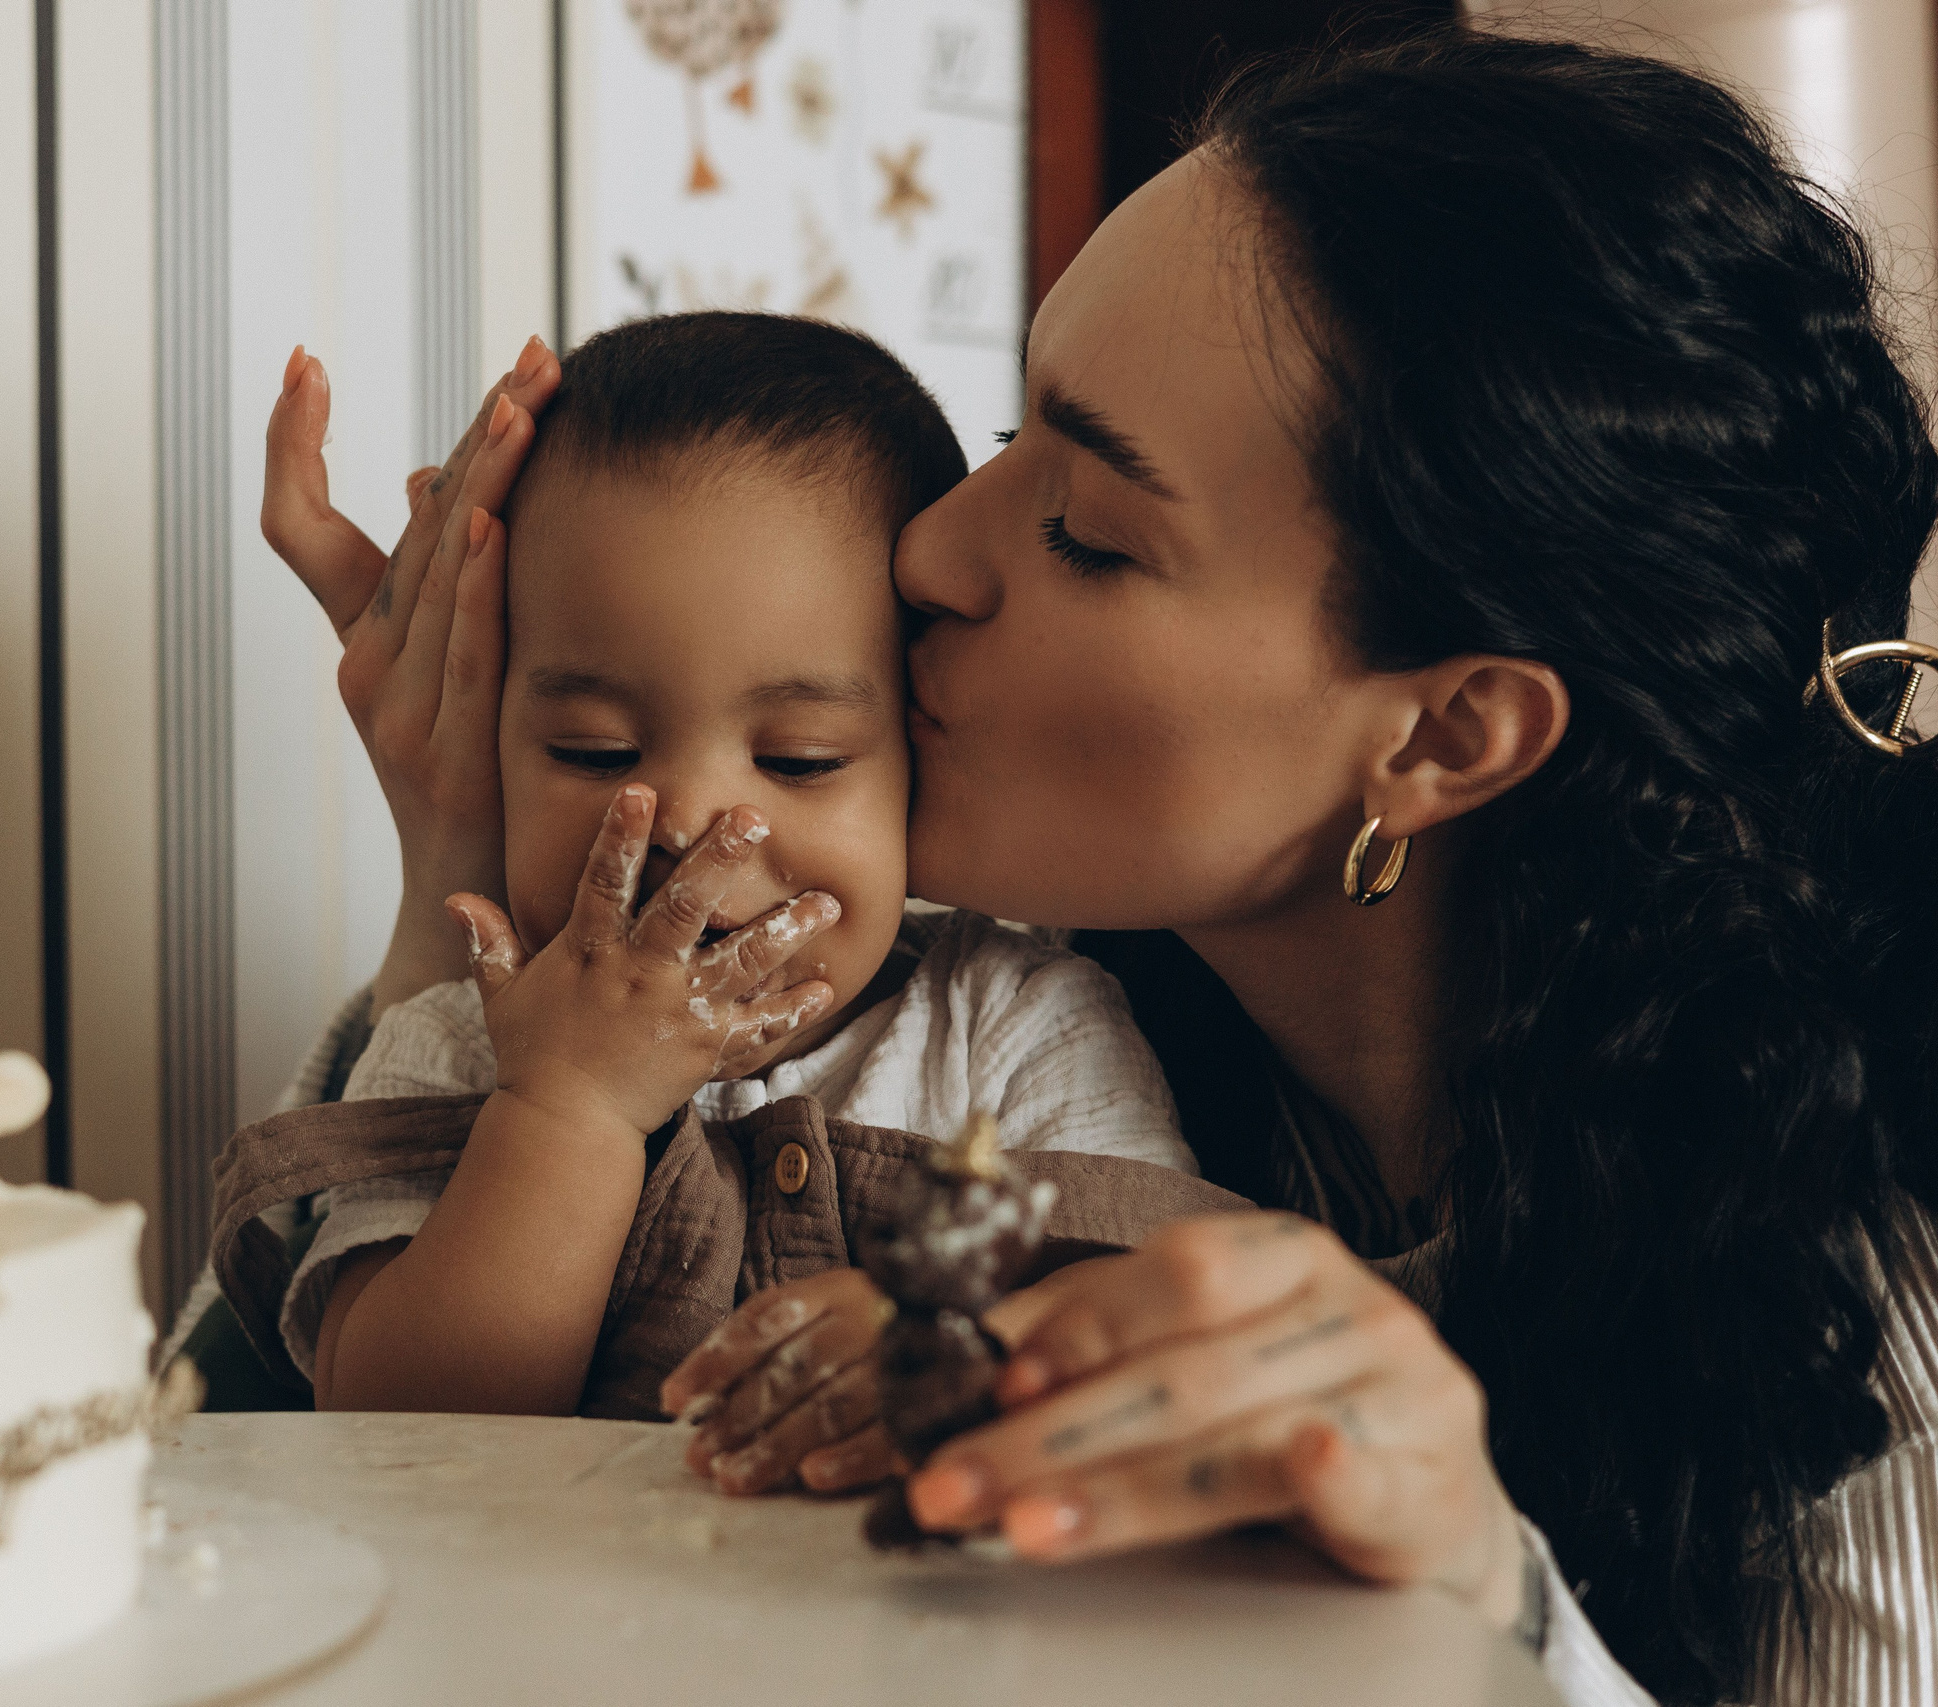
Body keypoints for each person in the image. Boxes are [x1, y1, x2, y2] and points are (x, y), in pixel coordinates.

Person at [242, 30, 1937, 1706]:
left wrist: (1487, 1592)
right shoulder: (1042, 1005)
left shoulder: (1855, 1255)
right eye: (1011, 432)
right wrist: (464, 855)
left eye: (1087, 530)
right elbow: (282, 1471)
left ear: (1440, 736)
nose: (924, 546)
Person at [242, 312, 1197, 1423]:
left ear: (927, 757)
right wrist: (568, 1110)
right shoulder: (454, 1040)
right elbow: (390, 1433)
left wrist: (950, 1337)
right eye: (594, 751)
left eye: (801, 759)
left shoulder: (1015, 1026)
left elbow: (1168, 1333)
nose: (688, 821)